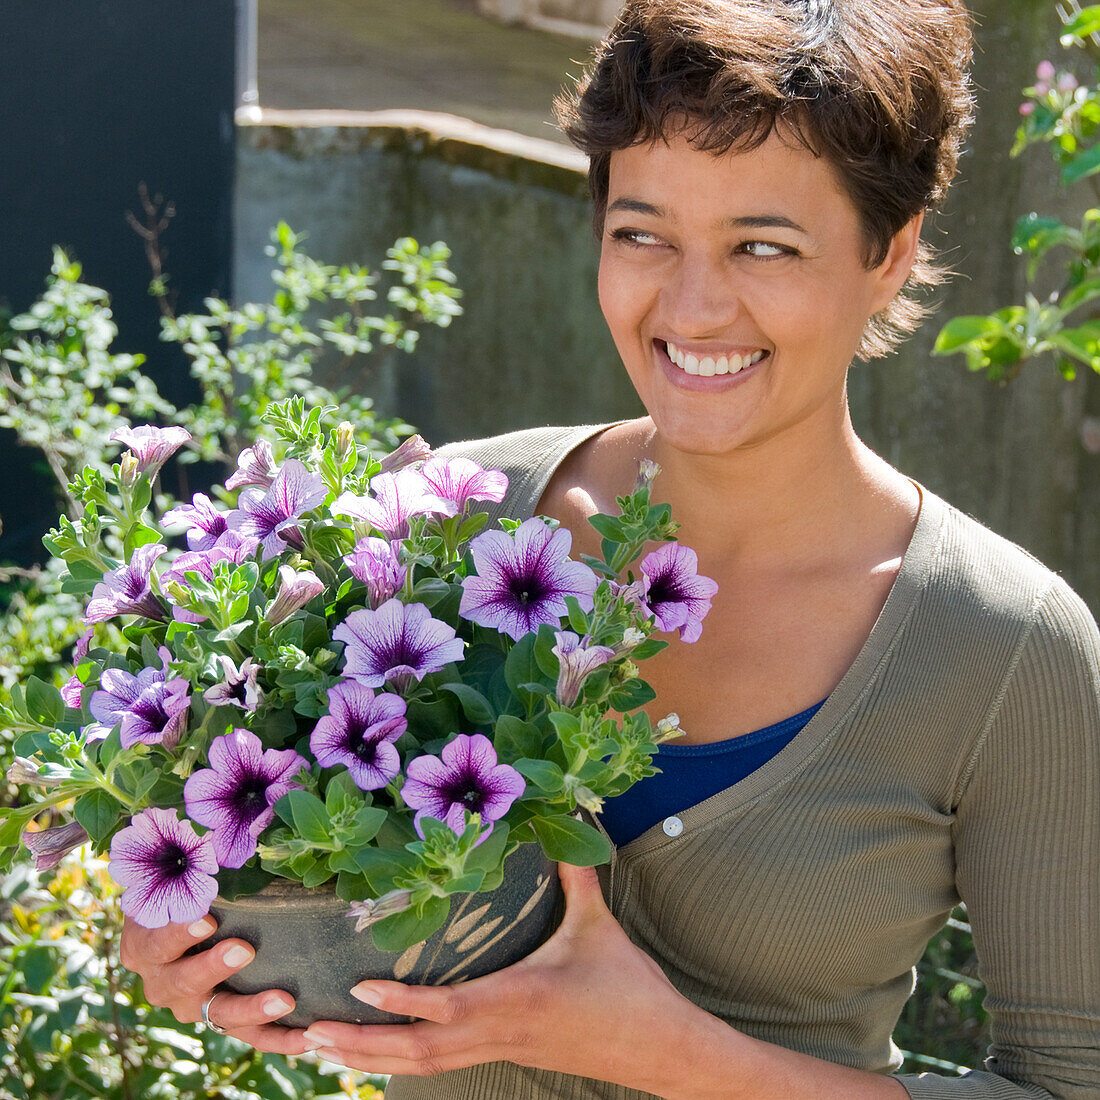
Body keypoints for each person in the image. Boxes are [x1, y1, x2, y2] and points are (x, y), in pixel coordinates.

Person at [119, 0, 1100, 1096]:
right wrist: (198, 942)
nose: (691, 303)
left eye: (762, 245)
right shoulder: (445, 519)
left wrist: (666, 1053)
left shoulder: (1007, 648)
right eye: (643, 232)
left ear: (889, 252)